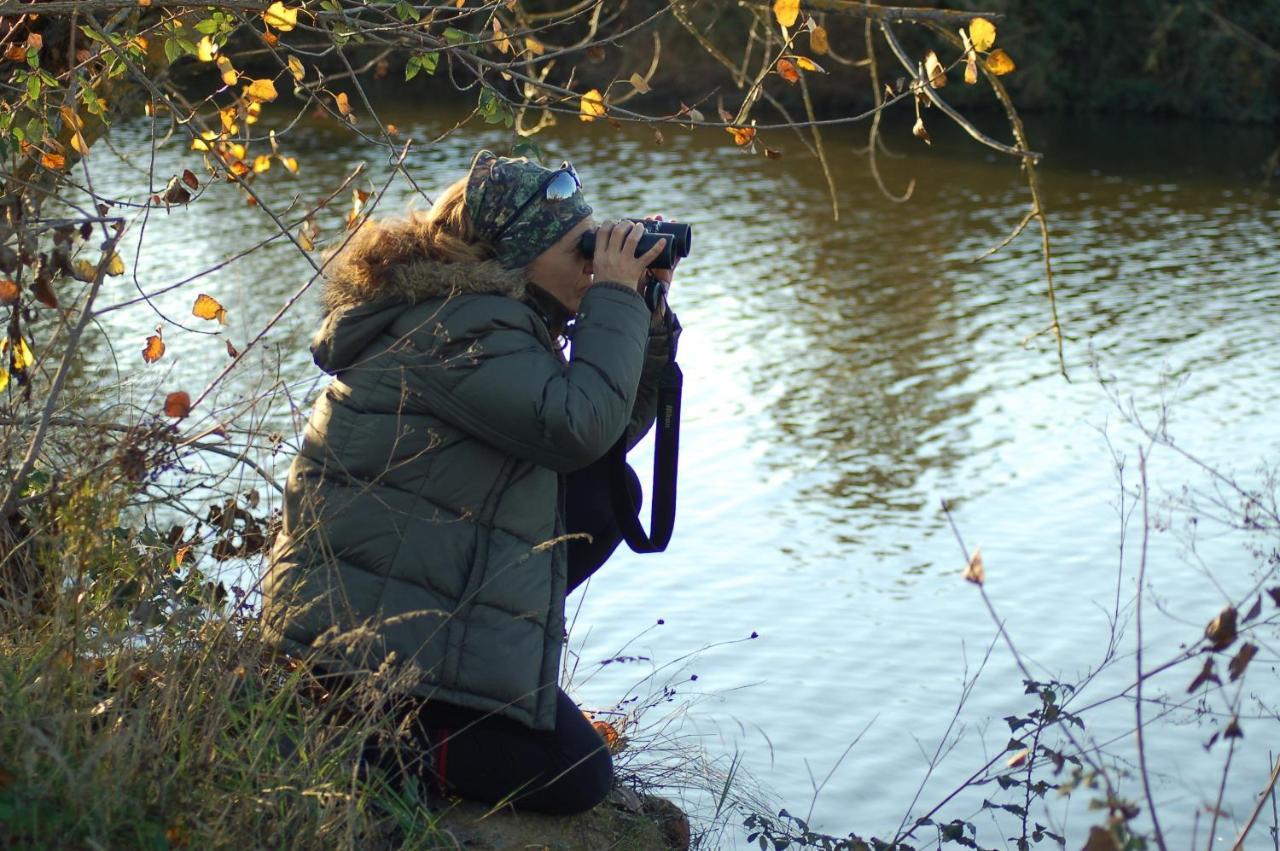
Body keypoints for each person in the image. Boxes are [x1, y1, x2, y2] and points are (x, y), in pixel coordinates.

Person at [262, 150, 680, 816]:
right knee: (573, 776)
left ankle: (440, 701)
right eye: (581, 249)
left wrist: (646, 321)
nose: (592, 263)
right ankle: (366, 740)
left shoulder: (482, 313)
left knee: (606, 493)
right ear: (516, 252)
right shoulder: (458, 327)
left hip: (406, 597)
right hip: (358, 637)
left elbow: (595, 441)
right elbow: (576, 425)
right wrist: (612, 301)